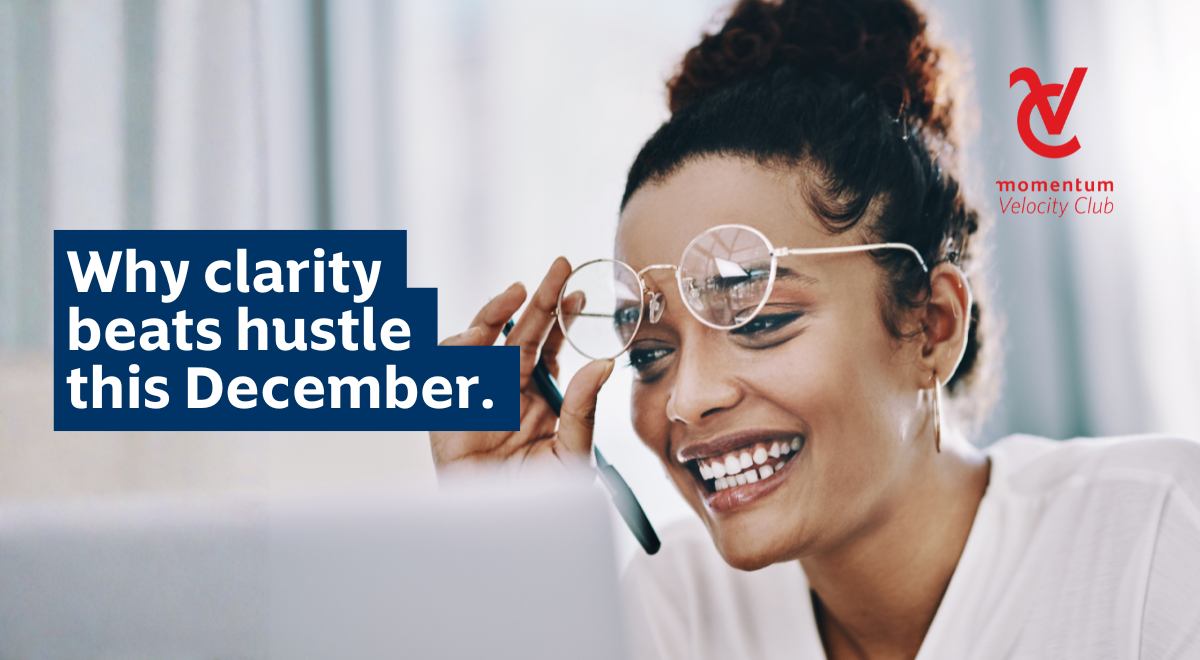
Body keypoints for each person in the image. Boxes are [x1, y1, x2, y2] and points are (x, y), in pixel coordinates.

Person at [431, 0, 1200, 657]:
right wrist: (515, 553)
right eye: (650, 354)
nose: (686, 400)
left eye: (760, 318)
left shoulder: (1161, 538)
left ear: (931, 326)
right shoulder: (678, 611)